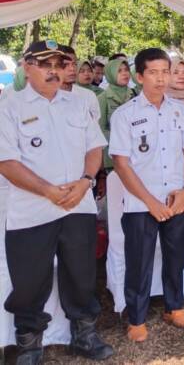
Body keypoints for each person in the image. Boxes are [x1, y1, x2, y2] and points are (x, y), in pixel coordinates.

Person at [0, 40, 113, 363]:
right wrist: (47, 190)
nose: (53, 70)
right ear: (27, 66)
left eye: (57, 64)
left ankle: (84, 334)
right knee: (30, 280)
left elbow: (95, 148)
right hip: (32, 211)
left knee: (81, 274)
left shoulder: (77, 104)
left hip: (78, 204)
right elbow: (6, 162)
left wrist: (86, 181)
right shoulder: (9, 106)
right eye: (44, 64)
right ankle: (29, 344)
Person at [109, 48, 184, 342]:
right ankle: (136, 318)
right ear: (139, 76)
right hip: (140, 204)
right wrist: (150, 202)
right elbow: (121, 164)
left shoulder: (180, 109)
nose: (161, 79)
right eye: (153, 72)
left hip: (177, 199)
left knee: (176, 257)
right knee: (139, 262)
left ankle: (175, 307)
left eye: (165, 71)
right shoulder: (125, 115)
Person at [98, 58, 136, 170]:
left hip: (136, 153)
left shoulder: (135, 95)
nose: (125, 74)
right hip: (113, 156)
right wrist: (122, 139)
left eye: (126, 70)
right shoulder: (102, 98)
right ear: (110, 74)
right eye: (119, 71)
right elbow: (100, 130)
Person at [59, 46, 101, 122]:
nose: (72, 68)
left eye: (74, 64)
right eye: (66, 64)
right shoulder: (45, 98)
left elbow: (94, 129)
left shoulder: (89, 96)